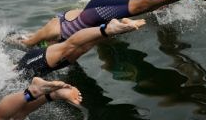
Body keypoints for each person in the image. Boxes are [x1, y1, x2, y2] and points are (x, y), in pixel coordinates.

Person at [21, 0, 206, 47]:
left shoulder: (52, 30)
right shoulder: (60, 32)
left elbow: (29, 42)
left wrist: (20, 40)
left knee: (140, 5)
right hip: (98, 5)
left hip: (96, 11)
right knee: (144, 5)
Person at [17, 18, 146, 77]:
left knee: (70, 45)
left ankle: (109, 28)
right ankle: (116, 28)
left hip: (30, 64)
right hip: (46, 68)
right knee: (83, 48)